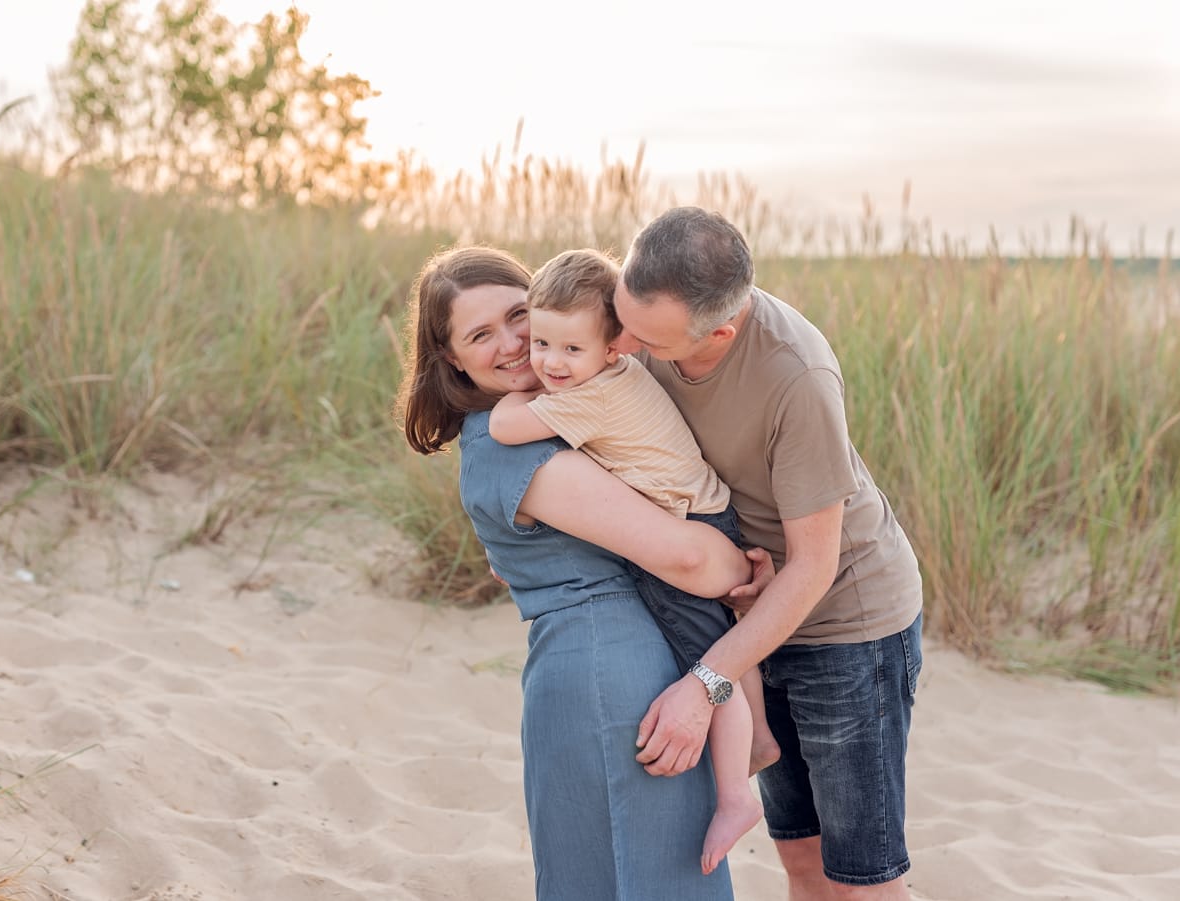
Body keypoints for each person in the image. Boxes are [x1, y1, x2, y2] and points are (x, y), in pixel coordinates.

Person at [395, 245, 771, 899]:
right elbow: (685, 556)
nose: (515, 344)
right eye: (481, 334)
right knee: (649, 874)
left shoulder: (572, 407)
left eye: (519, 316)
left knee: (608, 874)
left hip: (622, 668)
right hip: (612, 675)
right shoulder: (515, 437)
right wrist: (751, 572)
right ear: (452, 357)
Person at [613, 207, 925, 900]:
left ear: (721, 330)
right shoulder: (637, 316)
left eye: (646, 338)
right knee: (803, 862)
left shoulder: (797, 375)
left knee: (863, 884)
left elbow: (813, 566)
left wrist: (706, 684)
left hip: (848, 629)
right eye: (622, 316)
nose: (623, 342)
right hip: (753, 614)